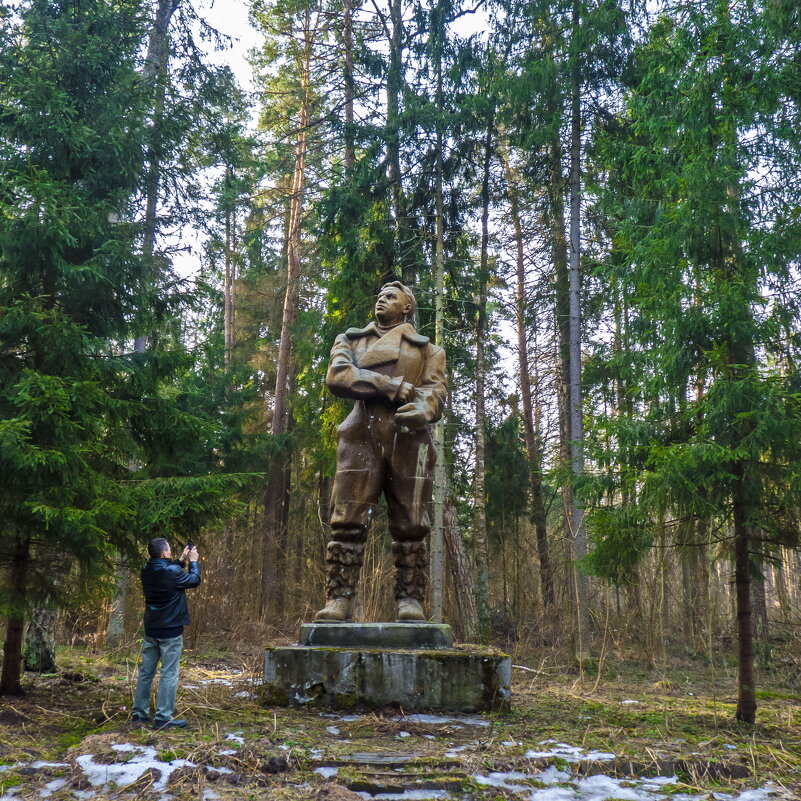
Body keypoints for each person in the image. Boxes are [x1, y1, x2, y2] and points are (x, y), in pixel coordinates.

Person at [315, 281, 446, 623]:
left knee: (412, 525)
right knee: (346, 521)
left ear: (407, 308)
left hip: (409, 440)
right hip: (361, 439)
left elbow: (435, 393)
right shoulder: (351, 340)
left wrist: (424, 410)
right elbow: (339, 377)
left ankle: (410, 600)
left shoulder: (429, 351)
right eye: (379, 296)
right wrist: (392, 386)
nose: (381, 300)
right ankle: (339, 599)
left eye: (391, 297)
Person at [131, 538, 200, 729]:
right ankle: (163, 717)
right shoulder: (171, 572)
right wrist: (193, 561)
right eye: (169, 550)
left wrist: (181, 559)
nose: (170, 552)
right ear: (163, 553)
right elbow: (194, 580)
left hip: (151, 629)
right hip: (170, 631)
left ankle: (139, 714)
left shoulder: (146, 571)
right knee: (169, 673)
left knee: (146, 672)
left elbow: (168, 573)